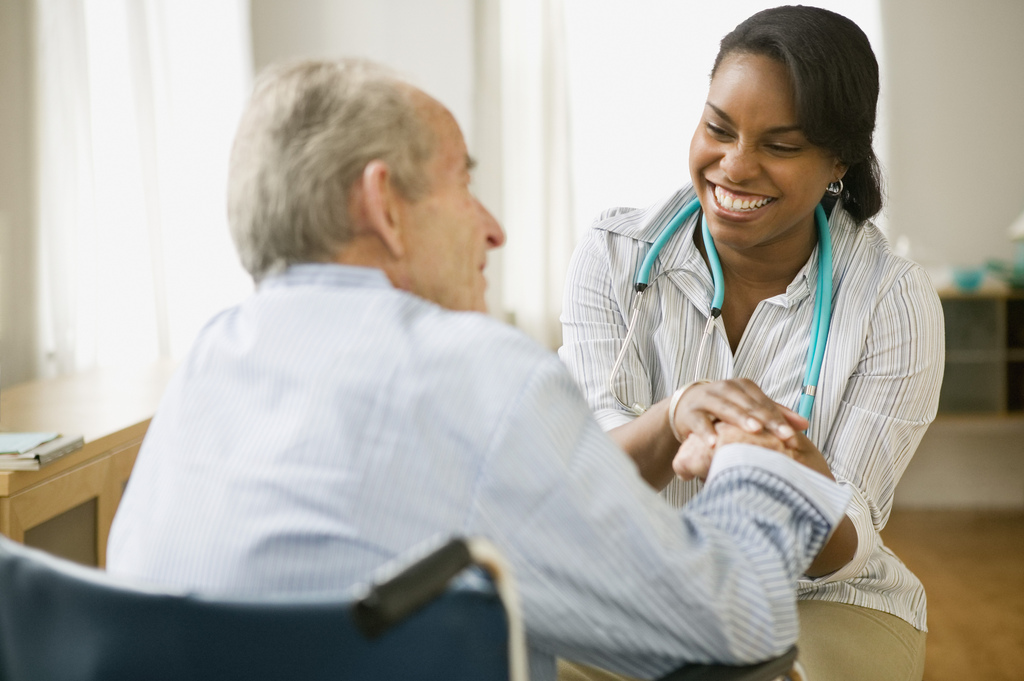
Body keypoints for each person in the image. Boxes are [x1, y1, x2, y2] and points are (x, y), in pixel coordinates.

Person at [106, 57, 851, 681]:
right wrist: (758, 461)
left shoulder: (209, 358)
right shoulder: (476, 372)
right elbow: (733, 628)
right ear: (384, 207)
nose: (492, 228)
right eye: (462, 182)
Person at [559, 6, 944, 681]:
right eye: (718, 128)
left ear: (839, 161)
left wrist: (777, 473)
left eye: (781, 145)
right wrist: (675, 414)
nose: (734, 166)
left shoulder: (893, 297)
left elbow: (848, 540)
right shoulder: (614, 255)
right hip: (636, 583)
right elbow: (585, 487)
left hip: (823, 599)